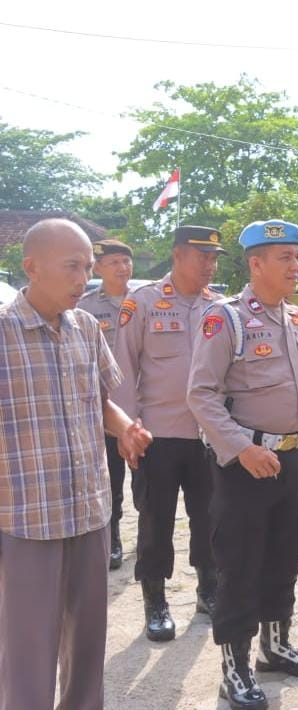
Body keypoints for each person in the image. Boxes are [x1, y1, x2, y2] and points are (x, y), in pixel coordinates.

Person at [188, 219, 298, 710]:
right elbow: (200, 394)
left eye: (297, 258)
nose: (295, 266)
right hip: (244, 464)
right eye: (284, 258)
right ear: (256, 263)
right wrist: (242, 447)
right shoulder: (226, 318)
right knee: (239, 565)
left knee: (286, 555)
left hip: (290, 458)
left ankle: (275, 647)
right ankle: (233, 670)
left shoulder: (297, 317)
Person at [0, 219, 152, 710]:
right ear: (32, 268)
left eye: (87, 266)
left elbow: (102, 400)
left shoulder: (86, 327)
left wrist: (125, 426)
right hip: (25, 520)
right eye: (72, 266)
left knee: (88, 645)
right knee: (29, 650)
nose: (82, 278)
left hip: (89, 511)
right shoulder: (4, 334)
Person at [113, 225, 225, 642]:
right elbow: (123, 369)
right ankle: (155, 601)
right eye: (203, 257)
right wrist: (128, 429)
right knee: (156, 520)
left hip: (209, 436)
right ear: (178, 255)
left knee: (209, 516)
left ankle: (208, 589)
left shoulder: (220, 307)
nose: (210, 266)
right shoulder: (142, 303)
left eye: (214, 259)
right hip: (157, 435)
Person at [77, 238, 135, 570]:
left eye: (125, 261)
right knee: (111, 478)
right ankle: (112, 536)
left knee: (150, 483)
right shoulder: (83, 307)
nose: (122, 268)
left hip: (143, 406)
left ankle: (150, 536)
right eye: (113, 262)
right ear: (98, 268)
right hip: (106, 407)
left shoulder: (144, 301)